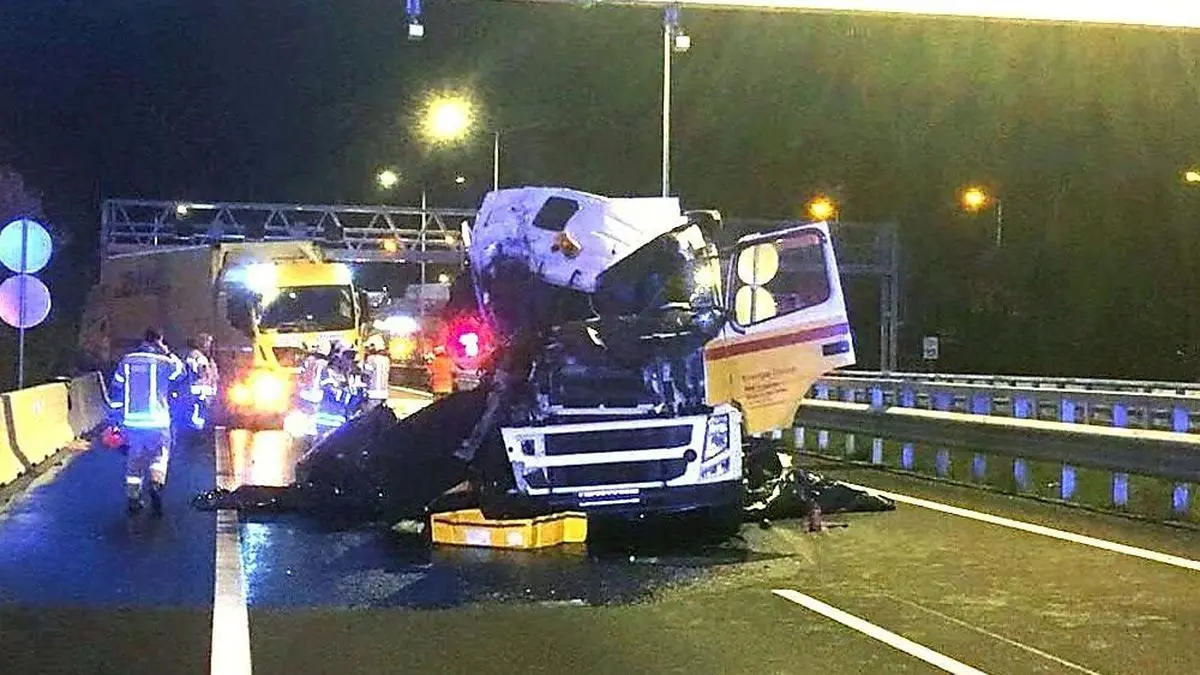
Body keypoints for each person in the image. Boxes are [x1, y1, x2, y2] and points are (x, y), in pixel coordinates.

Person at [107, 327, 185, 516]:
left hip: (133, 421)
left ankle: (133, 499)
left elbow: (117, 387)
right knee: (159, 456)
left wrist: (115, 418)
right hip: (158, 421)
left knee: (135, 460)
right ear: (159, 340)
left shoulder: (127, 361)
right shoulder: (165, 361)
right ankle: (156, 484)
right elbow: (181, 374)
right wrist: (167, 351)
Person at [182, 333, 218, 430]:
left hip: (205, 395)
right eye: (207, 342)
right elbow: (199, 370)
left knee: (203, 417)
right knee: (197, 418)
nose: (209, 345)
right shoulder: (195, 355)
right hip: (198, 393)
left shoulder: (207, 358)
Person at [363, 335, 391, 409]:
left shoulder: (371, 359)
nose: (368, 349)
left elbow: (366, 375)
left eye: (369, 346)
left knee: (371, 416)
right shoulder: (386, 360)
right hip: (384, 394)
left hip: (373, 394)